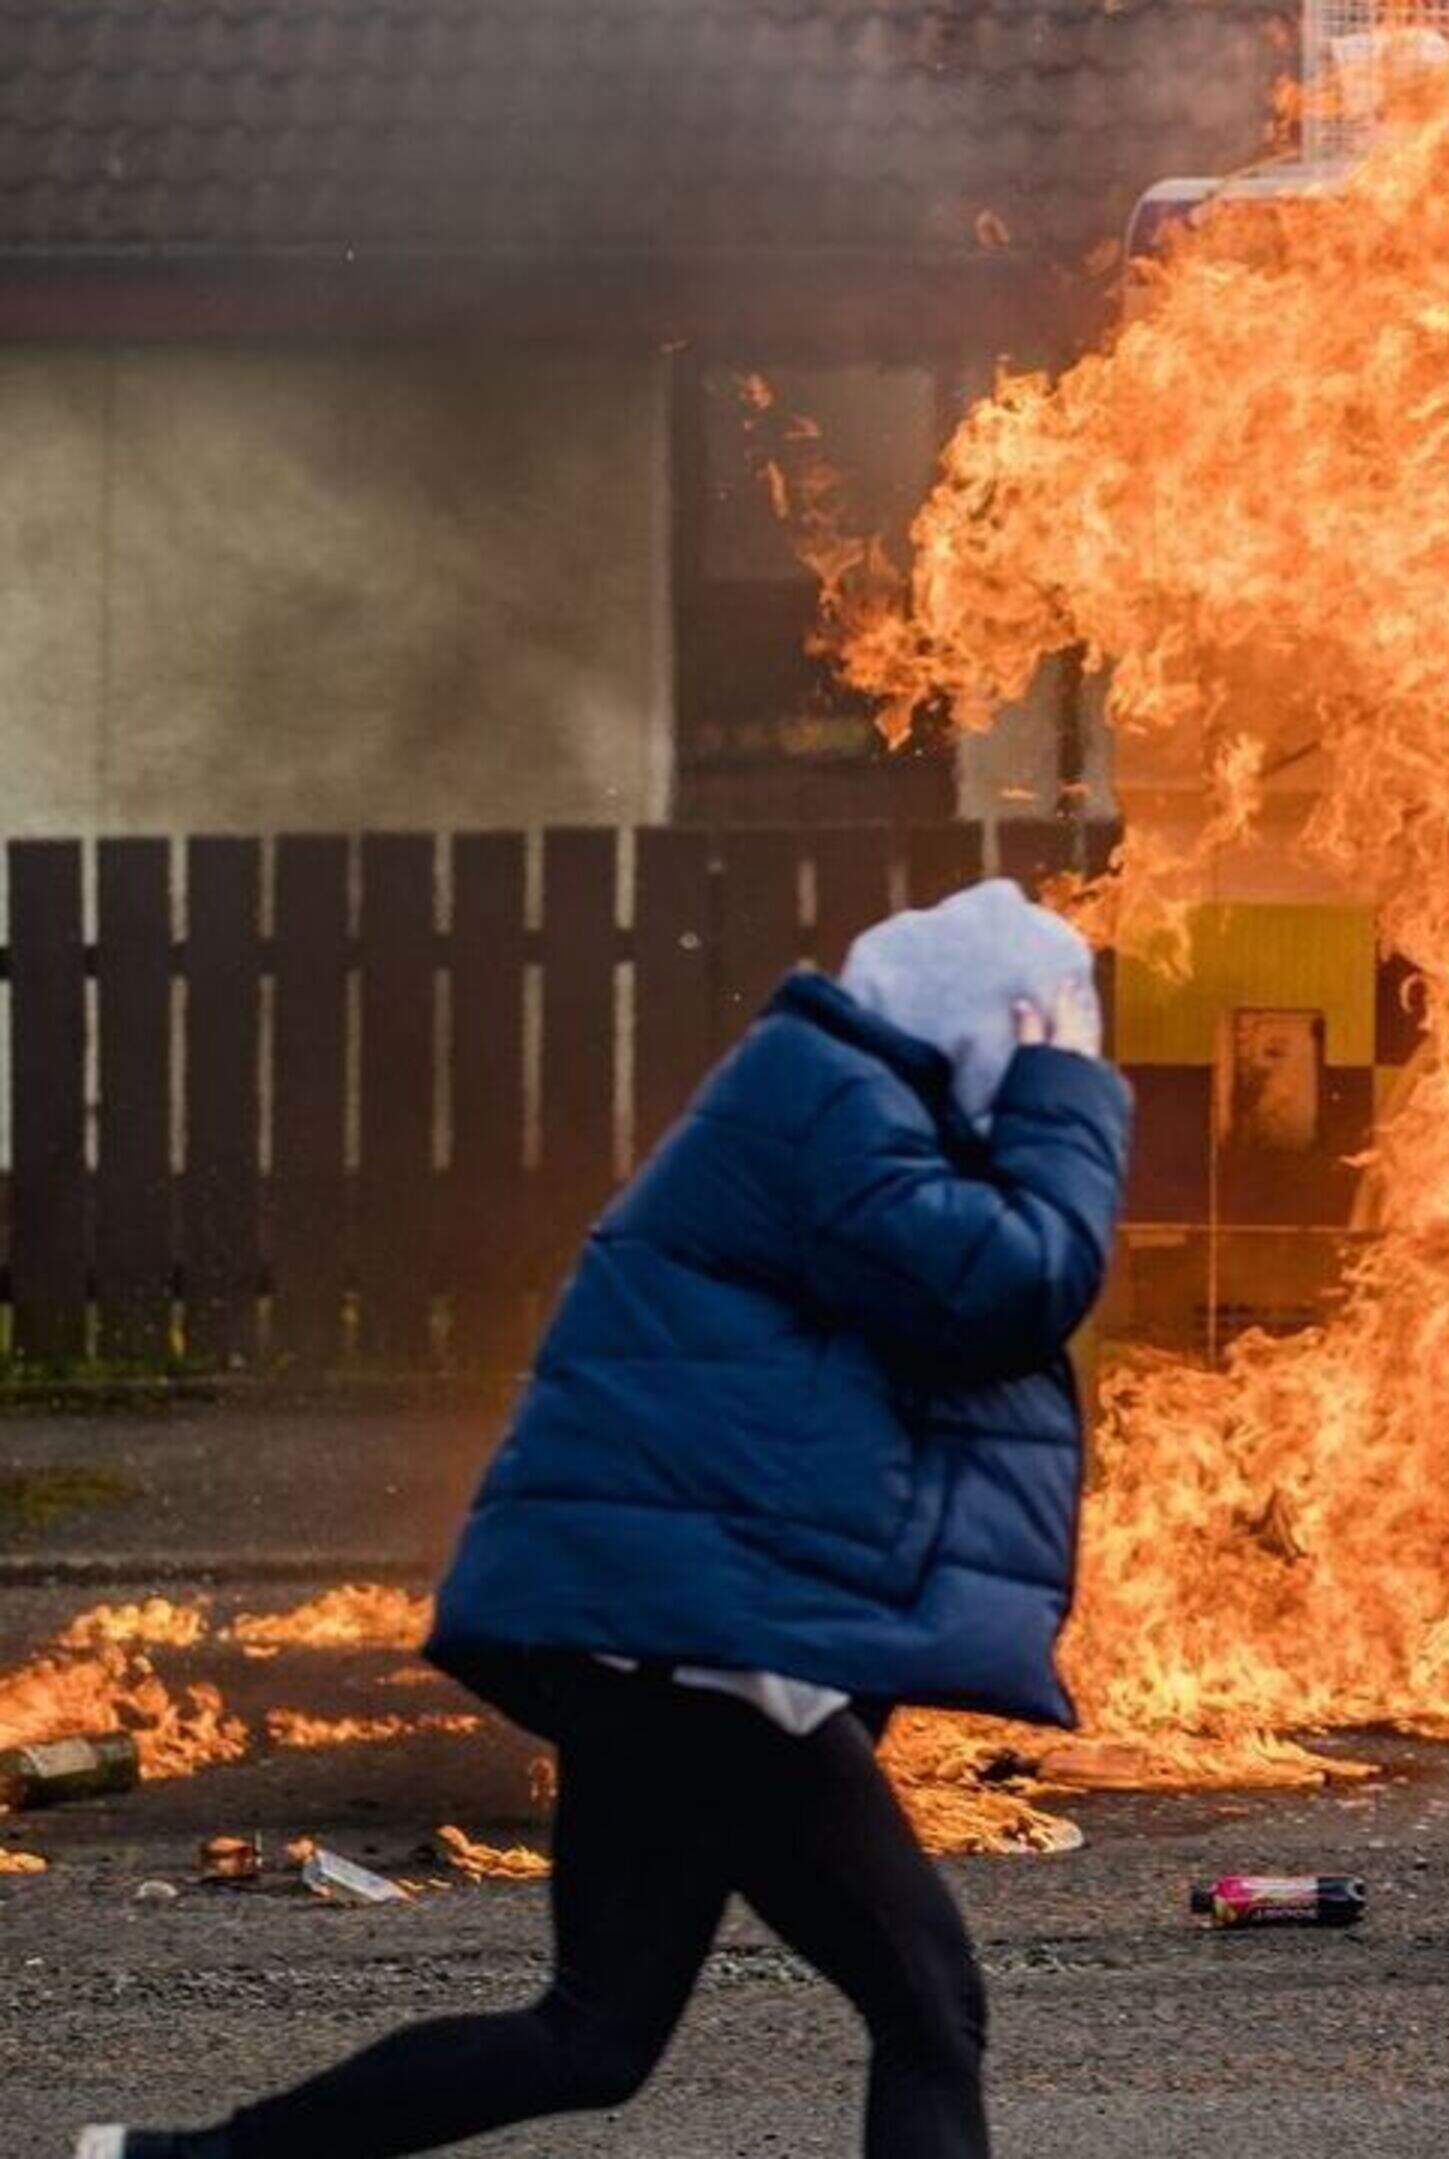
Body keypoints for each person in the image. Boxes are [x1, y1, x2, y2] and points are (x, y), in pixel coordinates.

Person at [79, 878, 1131, 2159]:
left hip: (661, 1638)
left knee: (593, 2036)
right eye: (1055, 1029)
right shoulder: (827, 1106)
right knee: (929, 2005)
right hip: (707, 1654)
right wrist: (1064, 1098)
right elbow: (1016, 1283)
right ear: (1002, 1020)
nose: (1062, 1058)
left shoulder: (837, 1102)